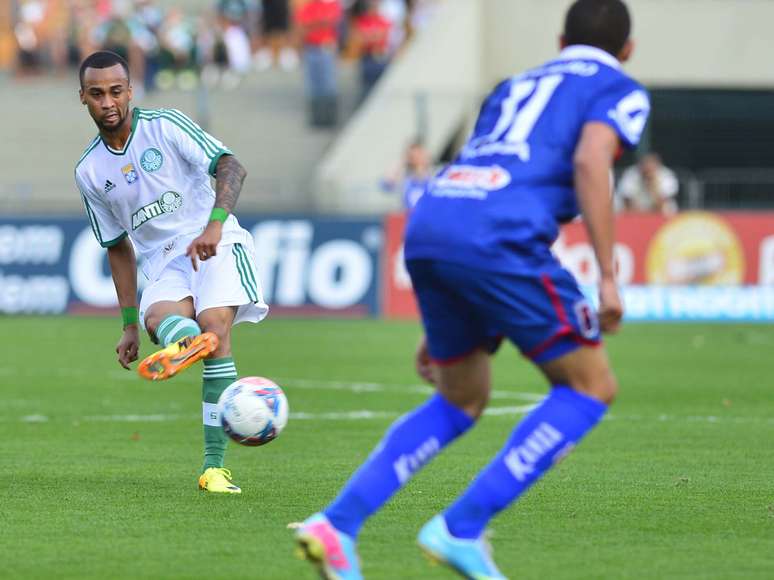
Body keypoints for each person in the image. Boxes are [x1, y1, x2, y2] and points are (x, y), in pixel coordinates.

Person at [293, 0, 649, 578]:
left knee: (462, 398)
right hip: (498, 235)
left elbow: (479, 164)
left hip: (435, 219)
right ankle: (462, 527)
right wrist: (608, 276)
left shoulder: (512, 86)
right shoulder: (619, 87)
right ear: (627, 50)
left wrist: (445, 322)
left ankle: (336, 525)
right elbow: (590, 161)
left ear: (560, 41)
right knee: (590, 387)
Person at [74, 50, 268, 495]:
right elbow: (117, 247)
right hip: (162, 260)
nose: (109, 103)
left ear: (130, 91)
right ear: (82, 97)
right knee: (157, 317)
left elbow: (231, 165)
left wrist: (215, 226)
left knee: (216, 328)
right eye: (98, 94)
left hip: (215, 240)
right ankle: (185, 340)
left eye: (116, 92)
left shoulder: (165, 125)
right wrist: (127, 326)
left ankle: (214, 468)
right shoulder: (88, 170)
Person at [295, 0, 343, 127]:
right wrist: (318, 23)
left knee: (328, 84)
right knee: (313, 86)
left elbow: (330, 21)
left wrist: (314, 24)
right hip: (311, 47)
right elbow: (302, 25)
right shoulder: (309, 6)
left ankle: (330, 118)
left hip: (326, 47)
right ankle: (316, 119)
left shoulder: (331, 4)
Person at [380, 138, 432, 210]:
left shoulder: (434, 178)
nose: (418, 158)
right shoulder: (406, 180)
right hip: (410, 217)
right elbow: (386, 184)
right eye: (414, 156)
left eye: (420, 154)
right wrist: (402, 161)